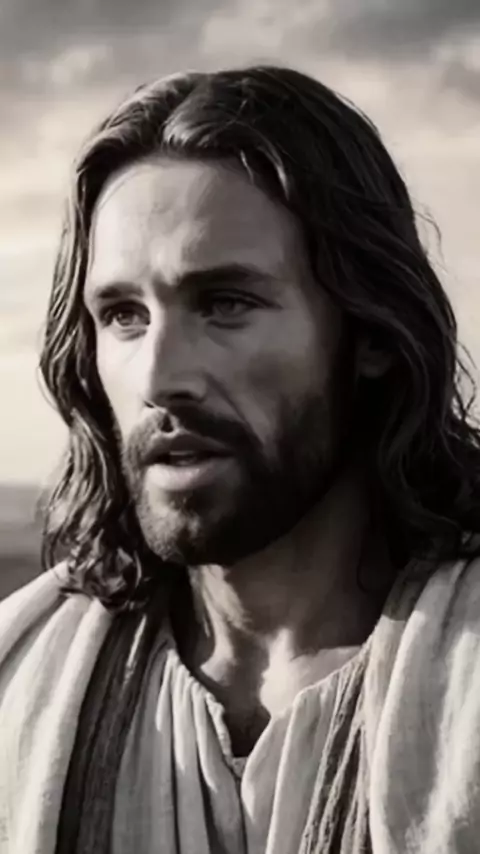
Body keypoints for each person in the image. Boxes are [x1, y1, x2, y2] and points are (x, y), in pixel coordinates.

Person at [1, 64, 480, 854]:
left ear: (369, 333)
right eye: (123, 315)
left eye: (225, 304)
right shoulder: (21, 678)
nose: (160, 377)